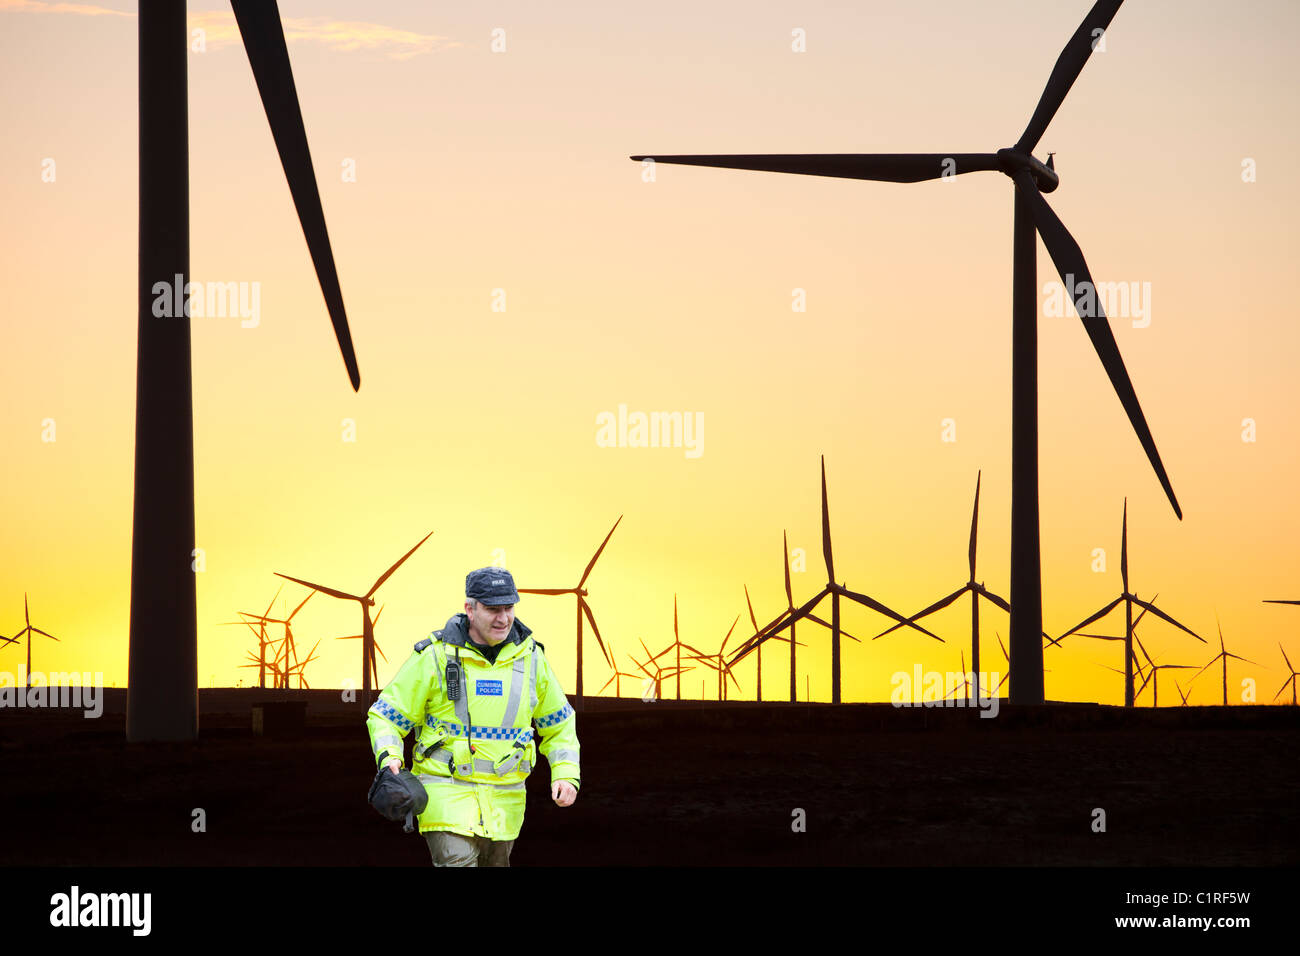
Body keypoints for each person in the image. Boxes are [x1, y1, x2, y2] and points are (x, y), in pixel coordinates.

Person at [365, 567, 580, 866]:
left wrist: (566, 774)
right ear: (470, 608)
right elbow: (386, 715)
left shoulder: (531, 658)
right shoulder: (434, 656)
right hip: (445, 793)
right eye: (493, 609)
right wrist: (389, 755)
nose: (503, 618)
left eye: (509, 608)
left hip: (506, 802)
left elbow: (559, 724)